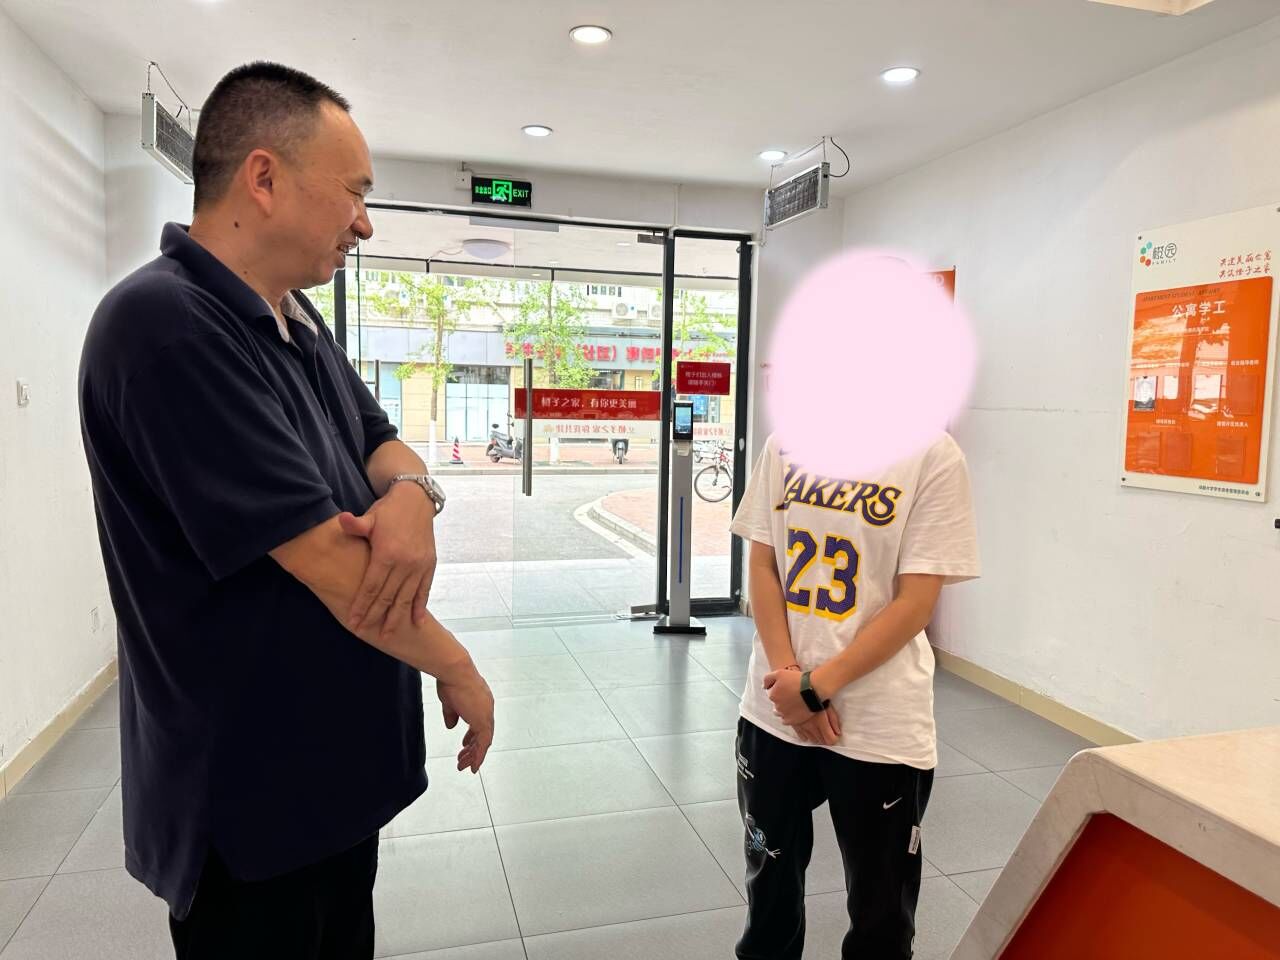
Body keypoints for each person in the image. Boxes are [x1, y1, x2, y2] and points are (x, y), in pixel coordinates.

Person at [78, 62, 494, 959]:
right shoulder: (166, 325)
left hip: (330, 784)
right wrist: (458, 666)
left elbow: (383, 443)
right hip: (250, 803)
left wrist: (414, 495)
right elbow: (337, 570)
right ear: (263, 178)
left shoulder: (292, 318)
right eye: (354, 192)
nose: (364, 223)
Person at [729, 431, 980, 959]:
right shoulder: (787, 438)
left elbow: (915, 603)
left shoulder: (932, 454)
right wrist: (790, 679)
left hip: (877, 722)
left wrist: (815, 688)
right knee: (768, 893)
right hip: (774, 708)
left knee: (881, 915)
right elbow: (762, 565)